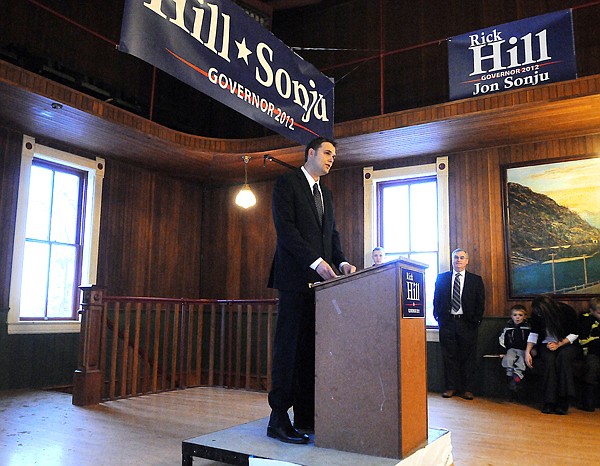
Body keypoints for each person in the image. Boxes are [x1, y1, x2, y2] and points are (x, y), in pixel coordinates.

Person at [266, 137, 356, 444]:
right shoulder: (287, 183)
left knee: (310, 353)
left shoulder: (325, 194)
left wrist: (341, 261)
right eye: (328, 152)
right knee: (288, 351)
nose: (332, 158)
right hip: (293, 281)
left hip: (320, 287)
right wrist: (316, 262)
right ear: (310, 153)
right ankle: (278, 419)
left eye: (334, 155)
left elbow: (331, 233)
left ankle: (305, 416)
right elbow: (286, 231)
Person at [433, 248, 485, 400]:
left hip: (467, 323)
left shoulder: (475, 280)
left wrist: (475, 321)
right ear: (452, 260)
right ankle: (451, 387)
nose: (458, 260)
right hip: (447, 323)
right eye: (456, 257)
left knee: (468, 357)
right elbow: (436, 300)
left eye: (462, 257)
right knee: (449, 357)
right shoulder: (442, 278)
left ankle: (467, 389)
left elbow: (480, 303)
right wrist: (438, 316)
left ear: (467, 261)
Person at [525, 295, 579, 415]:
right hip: (546, 344)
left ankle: (563, 399)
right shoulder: (537, 315)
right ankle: (549, 401)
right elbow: (534, 334)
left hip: (567, 343)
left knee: (563, 358)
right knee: (549, 361)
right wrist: (527, 352)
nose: (538, 315)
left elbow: (575, 333)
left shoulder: (566, 311)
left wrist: (559, 344)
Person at [499, 304, 531, 393]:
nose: (517, 317)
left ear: (525, 317)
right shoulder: (507, 328)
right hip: (511, 348)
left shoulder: (528, 328)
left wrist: (532, 349)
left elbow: (532, 340)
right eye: (515, 315)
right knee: (508, 358)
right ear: (511, 316)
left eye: (520, 315)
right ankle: (509, 375)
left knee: (522, 359)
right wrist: (503, 351)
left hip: (524, 349)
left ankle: (517, 376)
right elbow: (502, 339)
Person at [577, 297, 600, 412]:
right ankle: (588, 402)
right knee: (592, 368)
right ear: (591, 311)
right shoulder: (587, 321)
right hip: (592, 351)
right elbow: (582, 340)